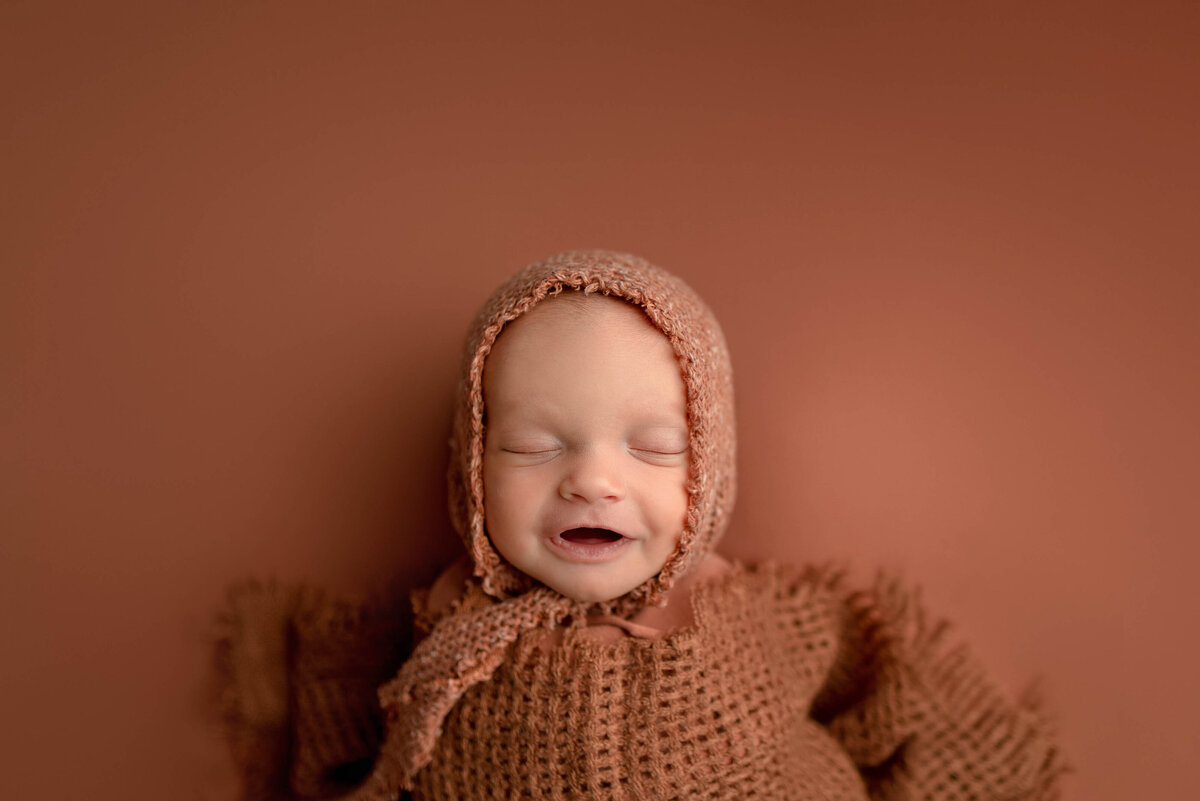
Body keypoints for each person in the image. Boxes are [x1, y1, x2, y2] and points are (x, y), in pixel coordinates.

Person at [217, 250, 1064, 801]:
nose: (592, 479)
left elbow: (879, 673)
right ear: (471, 467)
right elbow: (370, 735)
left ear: (714, 469)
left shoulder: (743, 611)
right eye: (533, 445)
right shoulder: (446, 637)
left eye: (653, 448)